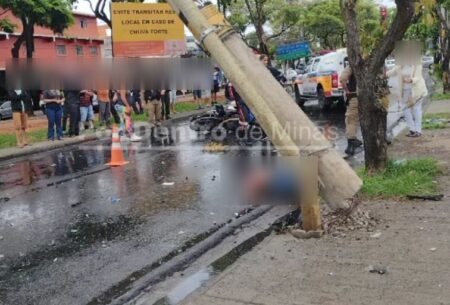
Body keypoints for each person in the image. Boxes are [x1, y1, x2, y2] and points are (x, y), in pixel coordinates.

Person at [387, 60, 427, 138]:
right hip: (404, 91)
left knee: (416, 109)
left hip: (416, 90)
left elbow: (417, 77)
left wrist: (411, 80)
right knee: (405, 109)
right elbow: (392, 72)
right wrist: (383, 74)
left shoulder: (417, 63)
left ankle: (418, 131)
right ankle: (412, 129)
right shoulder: (400, 64)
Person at [340, 58, 363, 155]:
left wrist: (347, 91)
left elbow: (342, 79)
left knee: (351, 120)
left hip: (355, 97)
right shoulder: (370, 65)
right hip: (367, 97)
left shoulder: (352, 66)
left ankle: (351, 144)